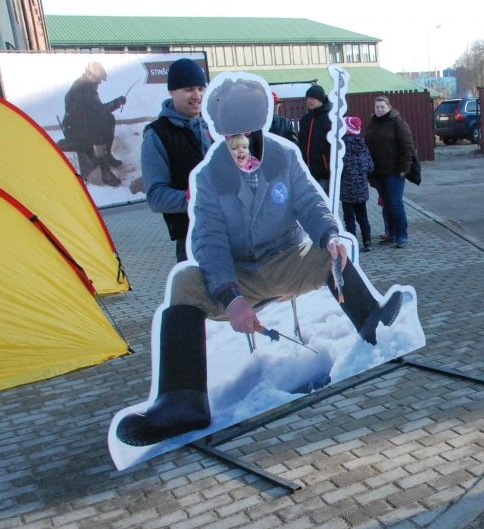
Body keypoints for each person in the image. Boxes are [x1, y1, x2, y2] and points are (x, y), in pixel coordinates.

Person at [116, 76, 405, 447]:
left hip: (286, 260)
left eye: (249, 133)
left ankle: (372, 323)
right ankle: (182, 402)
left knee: (331, 249)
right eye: (233, 135)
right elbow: (209, 242)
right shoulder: (208, 178)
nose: (242, 143)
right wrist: (231, 296)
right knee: (185, 281)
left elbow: (309, 202)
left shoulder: (283, 156)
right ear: (222, 135)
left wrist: (330, 234)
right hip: (239, 277)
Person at [140, 58, 212, 262]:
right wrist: (198, 198)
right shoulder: (156, 136)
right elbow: (156, 196)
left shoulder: (215, 127)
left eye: (201, 88)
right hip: (192, 241)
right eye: (189, 89)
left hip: (232, 235)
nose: (197, 95)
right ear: (172, 91)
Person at [61, 61, 127, 187]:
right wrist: (117, 102)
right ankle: (104, 170)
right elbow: (95, 113)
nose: (99, 84)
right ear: (92, 77)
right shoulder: (81, 89)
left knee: (108, 119)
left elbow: (96, 111)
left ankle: (106, 155)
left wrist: (116, 103)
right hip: (75, 130)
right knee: (98, 131)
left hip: (81, 125)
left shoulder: (86, 87)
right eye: (98, 81)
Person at [364, 95, 414, 249]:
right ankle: (390, 233)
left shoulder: (397, 122)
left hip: (394, 172)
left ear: (389, 107)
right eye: (377, 107)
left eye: (382, 107)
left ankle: (402, 236)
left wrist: (404, 168)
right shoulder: (373, 124)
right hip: (378, 172)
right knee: (386, 204)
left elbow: (407, 145)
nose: (379, 109)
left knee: (396, 204)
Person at [339, 116, 374, 252]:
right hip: (361, 190)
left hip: (347, 190)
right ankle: (367, 241)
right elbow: (370, 166)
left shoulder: (342, 147)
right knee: (363, 216)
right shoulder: (363, 145)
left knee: (349, 218)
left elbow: (339, 169)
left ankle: (352, 243)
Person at [297, 83, 333, 187]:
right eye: (307, 98)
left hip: (324, 174)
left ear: (321, 99)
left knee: (325, 202)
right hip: (306, 172)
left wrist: (328, 168)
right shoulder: (304, 120)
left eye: (312, 98)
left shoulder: (330, 118)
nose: (309, 101)